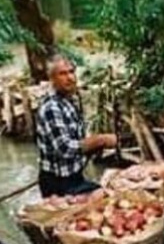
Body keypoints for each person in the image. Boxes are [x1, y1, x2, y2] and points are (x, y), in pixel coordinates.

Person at [35, 55, 118, 197]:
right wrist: (101, 140)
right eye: (63, 74)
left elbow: (77, 140)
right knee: (105, 198)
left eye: (71, 72)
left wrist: (95, 147)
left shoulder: (68, 101)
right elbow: (65, 149)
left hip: (73, 177)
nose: (70, 78)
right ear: (52, 79)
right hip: (59, 184)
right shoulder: (52, 107)